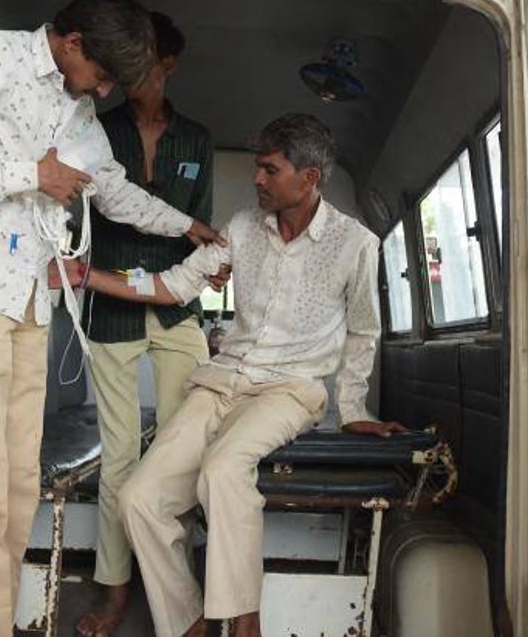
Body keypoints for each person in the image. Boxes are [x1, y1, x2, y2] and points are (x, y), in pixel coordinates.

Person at [0, 0, 222, 637]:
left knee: (17, 485)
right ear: (72, 43)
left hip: (25, 295)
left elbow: (119, 195)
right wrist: (30, 174)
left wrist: (191, 228)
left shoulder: (77, 115)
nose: (101, 93)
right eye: (99, 76)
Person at [54, 113, 404, 637]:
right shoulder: (243, 227)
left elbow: (363, 332)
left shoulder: (356, 244)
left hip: (290, 390)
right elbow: (173, 285)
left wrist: (352, 409)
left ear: (308, 179)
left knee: (221, 469)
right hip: (221, 380)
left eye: (270, 169)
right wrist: (90, 277)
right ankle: (188, 620)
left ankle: (246, 623)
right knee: (139, 498)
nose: (257, 180)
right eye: (258, 169)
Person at [76, 12, 215, 637]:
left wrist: (209, 267)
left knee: (179, 453)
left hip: (179, 308)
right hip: (111, 305)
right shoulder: (95, 132)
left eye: (147, 63)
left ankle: (175, 584)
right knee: (119, 457)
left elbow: (203, 228)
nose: (133, 75)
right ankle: (113, 589)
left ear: (169, 66)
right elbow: (94, 215)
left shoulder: (198, 139)